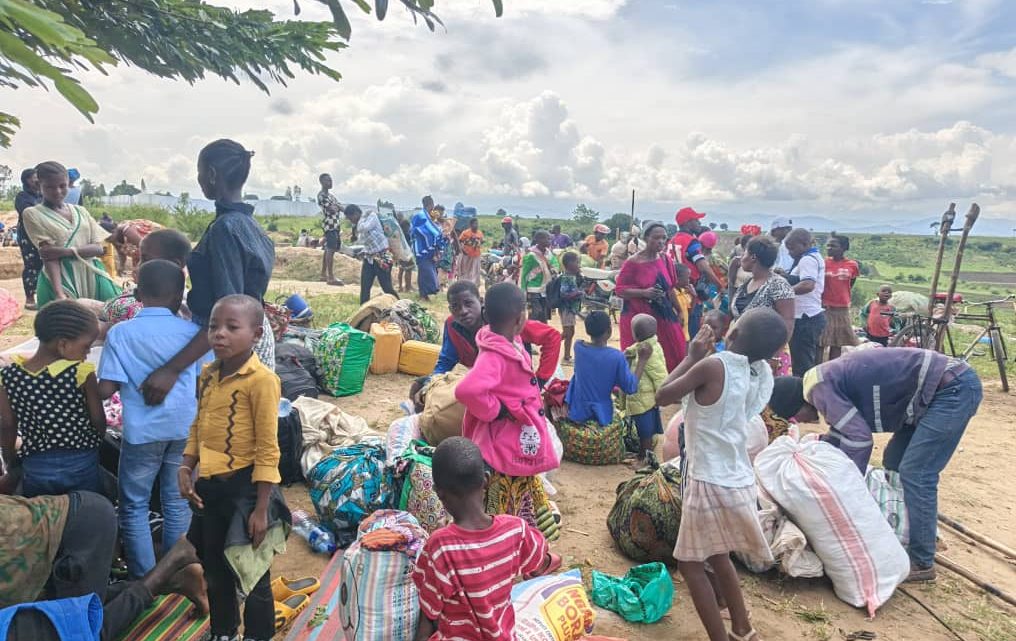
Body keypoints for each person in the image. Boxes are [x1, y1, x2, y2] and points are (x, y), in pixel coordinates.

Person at [767, 348, 983, 582]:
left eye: (795, 416)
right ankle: (908, 531)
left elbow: (859, 440)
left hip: (951, 389)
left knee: (917, 473)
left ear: (796, 404)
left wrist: (849, 490)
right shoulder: (819, 379)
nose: (800, 421)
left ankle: (922, 560)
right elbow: (846, 433)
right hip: (932, 392)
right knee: (894, 461)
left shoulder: (818, 389)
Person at [656, 308, 789, 641]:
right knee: (718, 555)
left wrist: (691, 357)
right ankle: (743, 628)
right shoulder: (760, 374)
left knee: (690, 565)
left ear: (734, 334)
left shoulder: (712, 366)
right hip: (737, 477)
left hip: (707, 479)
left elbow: (662, 396)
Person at [178, 295, 290, 641]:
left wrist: (260, 508)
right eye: (213, 326)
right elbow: (199, 424)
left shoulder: (261, 380)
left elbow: (268, 446)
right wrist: (186, 465)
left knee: (251, 570)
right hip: (211, 486)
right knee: (214, 567)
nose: (219, 335)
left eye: (231, 327)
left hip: (247, 488)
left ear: (256, 335)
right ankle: (223, 631)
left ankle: (258, 634)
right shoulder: (209, 374)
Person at [140, 139, 276, 410]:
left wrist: (171, 369)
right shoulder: (252, 227)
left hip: (232, 345)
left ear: (212, 174)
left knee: (227, 427)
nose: (199, 179)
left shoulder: (225, 229)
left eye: (200, 172)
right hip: (249, 333)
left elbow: (227, 316)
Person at [98, 260, 210, 580]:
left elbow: (106, 389)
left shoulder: (120, 334)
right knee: (177, 502)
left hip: (141, 435)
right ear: (179, 297)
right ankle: (178, 574)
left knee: (134, 505)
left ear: (137, 293)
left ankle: (146, 580)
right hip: (183, 430)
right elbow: (205, 385)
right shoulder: (193, 335)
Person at [0, 491, 208, 641]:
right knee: (56, 613)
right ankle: (177, 581)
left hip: (81, 530)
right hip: (82, 515)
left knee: (84, 630)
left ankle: (175, 559)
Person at [412, 437, 560, 641]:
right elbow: (538, 558)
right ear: (487, 480)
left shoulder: (439, 547)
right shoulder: (516, 529)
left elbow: (429, 613)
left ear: (439, 493)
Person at [453, 283, 561, 537]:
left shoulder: (511, 342)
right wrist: (497, 410)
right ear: (521, 316)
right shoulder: (495, 355)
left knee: (522, 492)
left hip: (513, 440)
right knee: (500, 501)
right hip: (501, 443)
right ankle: (503, 542)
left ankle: (524, 543)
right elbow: (466, 390)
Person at [0, 300, 104, 497]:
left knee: (45, 516)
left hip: (36, 467)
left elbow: (7, 425)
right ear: (63, 344)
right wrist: (97, 440)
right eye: (86, 347)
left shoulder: (8, 377)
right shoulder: (81, 372)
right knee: (84, 510)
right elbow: (98, 419)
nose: (87, 354)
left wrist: (9, 458)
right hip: (81, 461)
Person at [410, 281, 561, 409]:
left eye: (468, 303)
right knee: (419, 386)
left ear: (481, 302)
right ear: (450, 310)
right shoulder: (452, 325)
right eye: (455, 306)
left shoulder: (502, 320)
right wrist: (430, 383)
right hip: (481, 380)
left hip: (511, 384)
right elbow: (446, 361)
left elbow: (552, 337)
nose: (463, 311)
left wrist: (539, 380)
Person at [21, 162, 119, 306]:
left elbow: (98, 249)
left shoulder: (81, 211)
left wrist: (63, 251)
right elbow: (48, 257)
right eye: (50, 187)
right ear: (39, 186)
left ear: (69, 184)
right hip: (60, 278)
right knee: (66, 324)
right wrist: (59, 293)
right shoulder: (32, 214)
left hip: (92, 272)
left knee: (109, 317)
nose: (58, 191)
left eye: (62, 186)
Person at [616, 222, 687, 371]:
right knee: (643, 360)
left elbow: (669, 288)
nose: (661, 241)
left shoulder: (665, 259)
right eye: (656, 238)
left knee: (676, 351)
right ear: (646, 238)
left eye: (664, 238)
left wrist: (679, 310)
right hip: (640, 318)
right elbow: (620, 290)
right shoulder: (633, 263)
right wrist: (644, 292)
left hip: (664, 315)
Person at [566, 311, 650, 425]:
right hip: (601, 415)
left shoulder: (578, 347)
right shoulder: (616, 356)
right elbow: (630, 387)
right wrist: (642, 360)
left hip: (577, 410)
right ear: (609, 331)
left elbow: (596, 361)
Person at [100, 228, 193, 328]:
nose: (139, 265)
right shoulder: (153, 294)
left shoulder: (176, 306)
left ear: (174, 264)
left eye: (146, 259)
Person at [731, 236, 796, 376]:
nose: (741, 257)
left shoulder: (778, 284)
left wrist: (774, 355)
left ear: (753, 257)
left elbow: (788, 321)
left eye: (745, 253)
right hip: (745, 353)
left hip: (769, 355)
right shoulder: (746, 284)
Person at [669, 207, 722, 337]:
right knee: (692, 332)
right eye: (696, 220)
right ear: (687, 222)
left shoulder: (672, 240)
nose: (699, 223)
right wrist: (720, 285)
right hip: (691, 293)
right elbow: (703, 267)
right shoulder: (691, 242)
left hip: (674, 293)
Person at [623, 314, 668, 460]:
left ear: (636, 334)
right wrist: (628, 353)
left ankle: (644, 458)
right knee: (643, 430)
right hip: (642, 397)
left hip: (645, 399)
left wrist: (662, 393)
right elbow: (633, 349)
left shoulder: (650, 353)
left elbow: (660, 375)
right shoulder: (649, 345)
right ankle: (641, 454)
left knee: (645, 432)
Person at [785, 228, 825, 376]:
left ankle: (803, 395)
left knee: (802, 364)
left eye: (792, 248)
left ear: (804, 244)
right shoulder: (814, 256)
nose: (790, 252)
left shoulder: (807, 260)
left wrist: (785, 292)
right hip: (810, 315)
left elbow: (808, 284)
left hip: (805, 317)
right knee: (804, 360)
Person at [343, 204, 399, 305]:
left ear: (356, 213)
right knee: (365, 287)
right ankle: (362, 313)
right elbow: (365, 240)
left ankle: (400, 306)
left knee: (386, 287)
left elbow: (363, 228)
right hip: (369, 258)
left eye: (351, 218)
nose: (351, 221)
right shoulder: (360, 223)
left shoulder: (370, 216)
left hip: (382, 257)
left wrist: (355, 226)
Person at [821, 233, 859, 360]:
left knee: (837, 342)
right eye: (828, 245)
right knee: (821, 342)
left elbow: (850, 283)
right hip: (824, 307)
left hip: (841, 309)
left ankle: (831, 370)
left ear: (843, 248)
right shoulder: (823, 263)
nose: (829, 248)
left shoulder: (852, 265)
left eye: (833, 245)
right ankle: (816, 370)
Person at [14, 168, 43, 310]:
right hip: (28, 237)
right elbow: (27, 213)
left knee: (45, 266)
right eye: (34, 177)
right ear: (27, 180)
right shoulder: (22, 196)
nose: (37, 179)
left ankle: (44, 297)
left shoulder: (42, 196)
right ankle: (30, 298)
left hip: (42, 235)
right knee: (31, 266)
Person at [520, 230, 561, 323]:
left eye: (550, 239)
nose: (549, 241)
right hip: (533, 288)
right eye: (547, 239)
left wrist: (554, 270)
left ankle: (542, 334)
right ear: (538, 240)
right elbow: (524, 273)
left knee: (544, 315)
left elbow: (556, 264)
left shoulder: (549, 254)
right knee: (535, 313)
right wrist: (523, 290)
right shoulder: (530, 255)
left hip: (546, 288)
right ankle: (530, 332)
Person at [411, 204, 446, 301]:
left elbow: (435, 233)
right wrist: (438, 233)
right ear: (429, 204)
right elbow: (421, 231)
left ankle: (423, 295)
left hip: (431, 253)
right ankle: (424, 294)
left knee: (424, 273)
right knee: (427, 273)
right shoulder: (421, 216)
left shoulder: (432, 220)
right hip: (421, 251)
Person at [316, 173, 344, 286]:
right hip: (330, 225)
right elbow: (332, 209)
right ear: (322, 182)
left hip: (336, 225)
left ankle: (323, 274)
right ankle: (331, 277)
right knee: (331, 249)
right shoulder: (321, 195)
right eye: (328, 181)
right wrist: (337, 207)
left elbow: (341, 207)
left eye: (331, 180)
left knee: (329, 248)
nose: (330, 182)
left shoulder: (331, 196)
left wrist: (336, 207)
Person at [558, 252, 584, 364]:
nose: (578, 265)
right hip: (566, 309)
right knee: (567, 333)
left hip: (571, 310)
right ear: (569, 264)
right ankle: (565, 356)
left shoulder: (573, 276)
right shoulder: (566, 277)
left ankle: (567, 355)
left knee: (570, 332)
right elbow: (563, 294)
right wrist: (577, 293)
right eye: (577, 262)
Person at [457, 218, 484, 285]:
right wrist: (463, 250)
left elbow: (482, 241)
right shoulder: (465, 233)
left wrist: (479, 242)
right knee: (465, 270)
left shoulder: (480, 233)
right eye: (475, 224)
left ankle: (473, 284)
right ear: (471, 225)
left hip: (476, 255)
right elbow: (459, 242)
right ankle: (463, 283)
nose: (476, 225)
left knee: (474, 270)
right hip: (466, 255)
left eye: (477, 224)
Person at [674, 263, 693, 342]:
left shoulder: (683, 291)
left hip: (685, 334)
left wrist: (694, 296)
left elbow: (690, 311)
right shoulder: (673, 295)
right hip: (677, 335)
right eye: (687, 278)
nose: (689, 280)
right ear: (677, 278)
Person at [397, 216, 415, 292]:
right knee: (408, 271)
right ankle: (408, 287)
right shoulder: (407, 235)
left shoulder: (399, 235)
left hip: (400, 254)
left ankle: (400, 287)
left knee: (401, 271)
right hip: (407, 255)